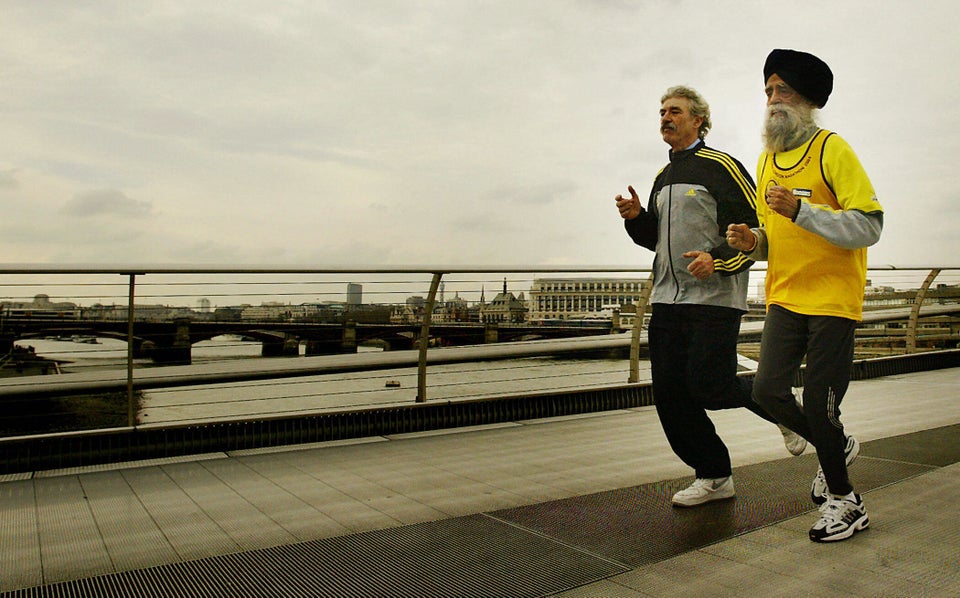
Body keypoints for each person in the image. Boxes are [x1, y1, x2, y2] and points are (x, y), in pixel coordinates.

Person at [616, 85, 805, 509]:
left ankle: (783, 408)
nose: (665, 117)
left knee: (710, 385)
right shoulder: (662, 178)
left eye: (675, 111)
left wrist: (715, 260)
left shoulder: (721, 166)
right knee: (670, 395)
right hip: (667, 299)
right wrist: (636, 219)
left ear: (699, 119)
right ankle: (714, 475)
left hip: (714, 298)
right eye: (662, 111)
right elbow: (655, 241)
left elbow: (752, 233)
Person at [727, 49, 884, 542]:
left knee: (819, 399)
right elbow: (777, 236)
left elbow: (869, 225)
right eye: (769, 91)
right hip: (785, 295)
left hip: (833, 297)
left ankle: (845, 500)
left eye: (784, 91)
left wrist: (800, 211)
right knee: (766, 390)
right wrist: (754, 242)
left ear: (808, 101)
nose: (773, 100)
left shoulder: (831, 149)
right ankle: (834, 444)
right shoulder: (766, 159)